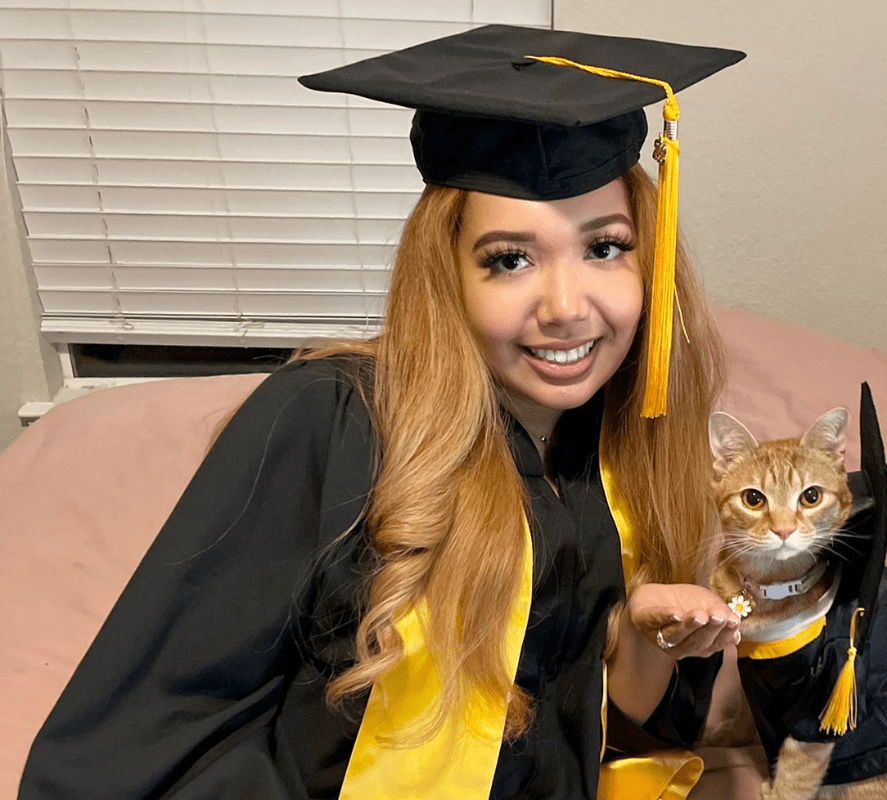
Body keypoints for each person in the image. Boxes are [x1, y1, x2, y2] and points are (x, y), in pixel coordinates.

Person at [19, 24, 745, 800]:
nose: (566, 309)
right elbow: (146, 731)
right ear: (449, 279)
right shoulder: (334, 420)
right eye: (509, 260)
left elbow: (626, 720)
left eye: (605, 248)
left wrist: (637, 633)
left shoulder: (625, 447)